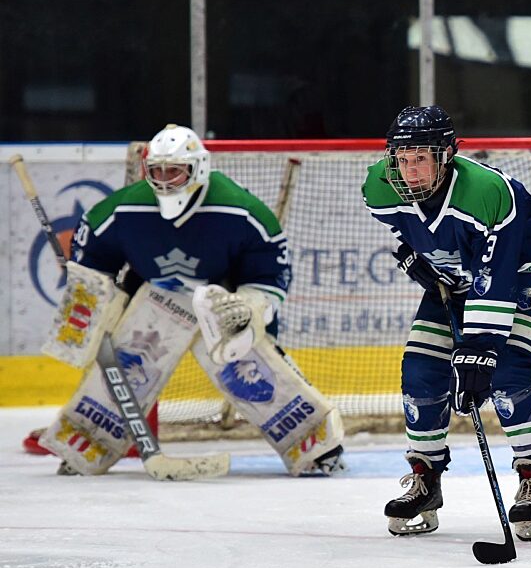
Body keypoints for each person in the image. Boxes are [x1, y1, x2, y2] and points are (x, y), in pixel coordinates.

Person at [39, 124, 346, 477]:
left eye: (175, 170)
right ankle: (85, 443)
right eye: (158, 171)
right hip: (154, 300)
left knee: (246, 367)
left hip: (220, 302)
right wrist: (96, 305)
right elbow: (92, 259)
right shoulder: (123, 210)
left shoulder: (239, 209)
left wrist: (250, 306)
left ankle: (315, 444)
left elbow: (269, 271)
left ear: (198, 168)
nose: (166, 180)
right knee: (128, 362)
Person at [362, 106, 531, 540]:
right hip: (452, 282)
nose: (409, 170)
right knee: (420, 372)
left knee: (508, 377)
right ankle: (425, 478)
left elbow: (497, 275)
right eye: (402, 158)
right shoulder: (379, 186)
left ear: (447, 155)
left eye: (421, 159)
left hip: (522, 275)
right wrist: (414, 258)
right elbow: (404, 232)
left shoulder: (488, 193)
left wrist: (481, 348)